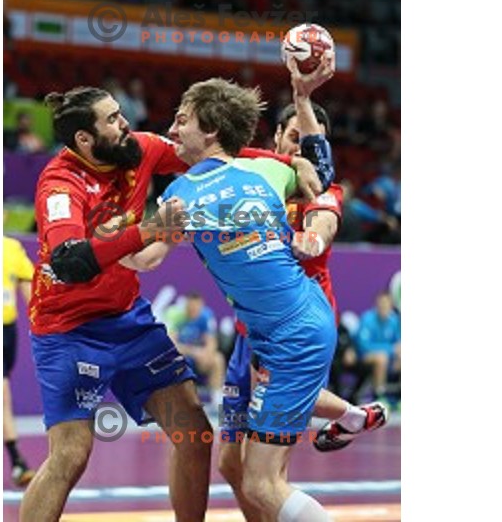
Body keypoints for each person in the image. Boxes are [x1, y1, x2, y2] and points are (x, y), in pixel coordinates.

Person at [20, 86, 323, 522]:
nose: (126, 123)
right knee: (70, 455)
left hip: (128, 320)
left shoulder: (138, 148)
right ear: (85, 140)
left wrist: (288, 161)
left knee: (194, 432)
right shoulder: (60, 184)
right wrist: (149, 230)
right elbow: (69, 262)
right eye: (112, 120)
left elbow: (218, 154)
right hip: (69, 330)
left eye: (120, 114)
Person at [123, 77, 340, 521]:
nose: (172, 129)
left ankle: (353, 415)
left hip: (291, 338)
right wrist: (300, 150)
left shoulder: (181, 196)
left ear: (211, 131)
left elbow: (144, 259)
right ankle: (353, 415)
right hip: (295, 326)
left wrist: (98, 236)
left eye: (182, 121)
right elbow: (315, 169)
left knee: (259, 482)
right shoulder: (271, 173)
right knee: (247, 472)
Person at [215, 58, 387, 520]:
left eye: (310, 140)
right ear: (276, 140)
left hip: (294, 329)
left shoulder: (323, 191)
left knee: (267, 473)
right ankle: (351, 414)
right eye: (294, 137)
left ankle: (349, 414)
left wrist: (271, 232)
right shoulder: (254, 174)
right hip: (249, 332)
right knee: (233, 466)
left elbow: (314, 243)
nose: (303, 147)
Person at [3, 235, 36, 487]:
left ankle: (16, 461)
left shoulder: (11, 248)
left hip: (5, 331)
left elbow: (33, 298)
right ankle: (16, 461)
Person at [164, 293, 225, 410]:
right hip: (182, 356)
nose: (194, 312)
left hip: (199, 358)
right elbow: (171, 345)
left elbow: (211, 341)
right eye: (191, 309)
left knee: (218, 359)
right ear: (186, 306)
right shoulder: (175, 315)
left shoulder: (206, 315)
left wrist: (207, 354)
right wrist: (194, 352)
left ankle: (216, 400)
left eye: (197, 309)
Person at [355, 291, 401, 402]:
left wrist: (398, 354)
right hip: (364, 356)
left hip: (389, 358)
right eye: (381, 304)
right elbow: (363, 346)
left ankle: (400, 397)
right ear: (377, 304)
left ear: (391, 306)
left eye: (387, 304)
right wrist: (391, 350)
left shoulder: (394, 320)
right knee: (381, 358)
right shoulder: (367, 319)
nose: (384, 307)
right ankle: (379, 396)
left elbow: (398, 343)